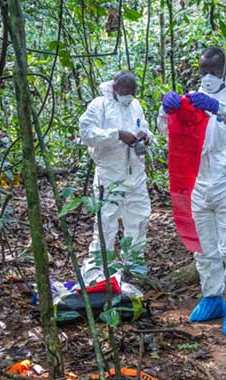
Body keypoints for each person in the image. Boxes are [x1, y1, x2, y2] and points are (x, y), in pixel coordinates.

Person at [158, 47, 226, 336]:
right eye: (204, 71)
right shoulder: (193, 98)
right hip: (198, 182)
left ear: (225, 69)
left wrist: (218, 108)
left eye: (214, 71)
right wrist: (166, 110)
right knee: (203, 246)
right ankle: (212, 296)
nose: (208, 77)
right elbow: (168, 131)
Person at [79, 71, 153, 280]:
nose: (128, 96)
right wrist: (117, 134)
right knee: (106, 221)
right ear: (115, 88)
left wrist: (145, 137)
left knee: (139, 218)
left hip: (136, 172)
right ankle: (100, 267)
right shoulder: (99, 105)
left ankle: (133, 264)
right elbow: (87, 133)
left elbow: (144, 127)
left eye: (132, 92)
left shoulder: (135, 106)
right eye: (124, 91)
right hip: (110, 173)